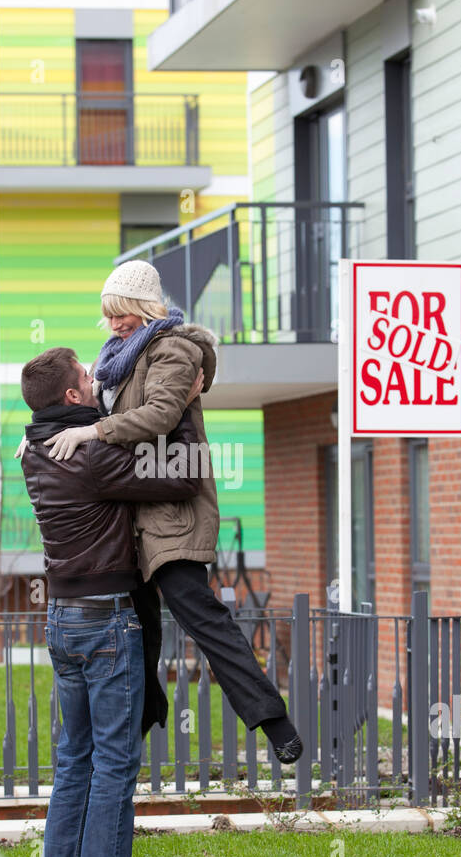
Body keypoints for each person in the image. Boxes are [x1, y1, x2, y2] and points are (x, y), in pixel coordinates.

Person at [44, 260, 304, 764]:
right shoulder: (117, 359)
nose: (115, 323)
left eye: (122, 313)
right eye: (109, 314)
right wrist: (41, 436)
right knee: (135, 627)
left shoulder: (172, 348)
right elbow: (84, 408)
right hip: (133, 521)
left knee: (201, 616)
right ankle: (143, 722)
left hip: (171, 515)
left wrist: (93, 431)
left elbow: (160, 415)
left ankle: (275, 722)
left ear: (145, 307)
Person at [19, 345, 203, 857]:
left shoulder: (34, 452)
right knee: (115, 762)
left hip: (61, 619)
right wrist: (186, 412)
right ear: (73, 395)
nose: (95, 375)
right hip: (106, 619)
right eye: (85, 374)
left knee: (75, 757)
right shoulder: (91, 457)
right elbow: (182, 477)